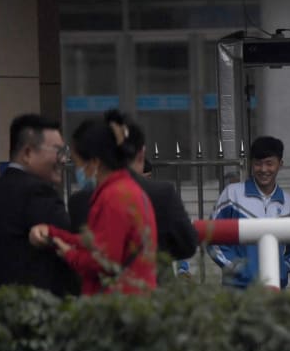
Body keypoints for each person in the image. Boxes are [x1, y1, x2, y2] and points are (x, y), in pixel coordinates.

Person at [30, 114, 157, 295]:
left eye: (78, 162)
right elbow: (100, 242)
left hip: (121, 305)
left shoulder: (114, 197)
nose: (77, 169)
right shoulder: (121, 190)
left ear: (95, 162)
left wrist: (66, 251)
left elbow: (105, 261)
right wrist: (53, 233)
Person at [67, 110, 198, 268]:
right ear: (141, 153)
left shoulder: (80, 201)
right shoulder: (162, 194)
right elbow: (187, 245)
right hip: (153, 288)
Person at [0, 114, 79, 296]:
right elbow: (72, 251)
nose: (63, 160)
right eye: (58, 151)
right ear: (28, 153)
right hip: (42, 312)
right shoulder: (38, 194)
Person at [207, 136, 290, 289]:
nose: (264, 169)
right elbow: (212, 236)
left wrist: (282, 269)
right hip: (237, 290)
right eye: (258, 164)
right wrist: (236, 268)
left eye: (269, 164)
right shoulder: (232, 195)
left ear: (281, 164)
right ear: (251, 164)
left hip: (275, 290)